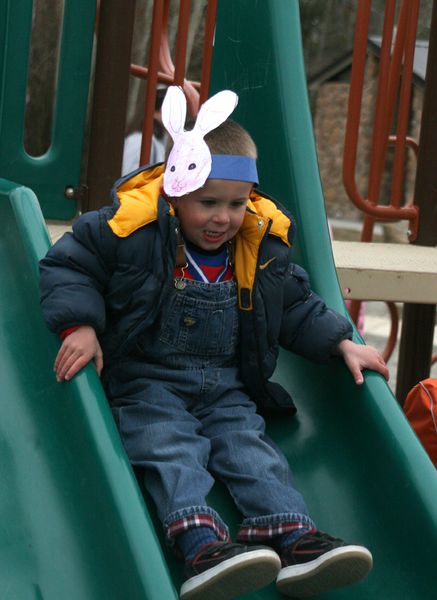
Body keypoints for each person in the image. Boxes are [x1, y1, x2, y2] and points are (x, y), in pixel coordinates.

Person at [40, 87, 389, 600]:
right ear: (177, 190)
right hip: (146, 378)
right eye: (207, 203)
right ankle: (200, 542)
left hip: (224, 384)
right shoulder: (130, 230)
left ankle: (292, 533)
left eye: (235, 203)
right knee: (167, 444)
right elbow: (70, 266)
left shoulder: (254, 243)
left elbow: (292, 303)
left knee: (251, 449)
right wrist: (81, 325)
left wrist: (341, 341)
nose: (222, 218)